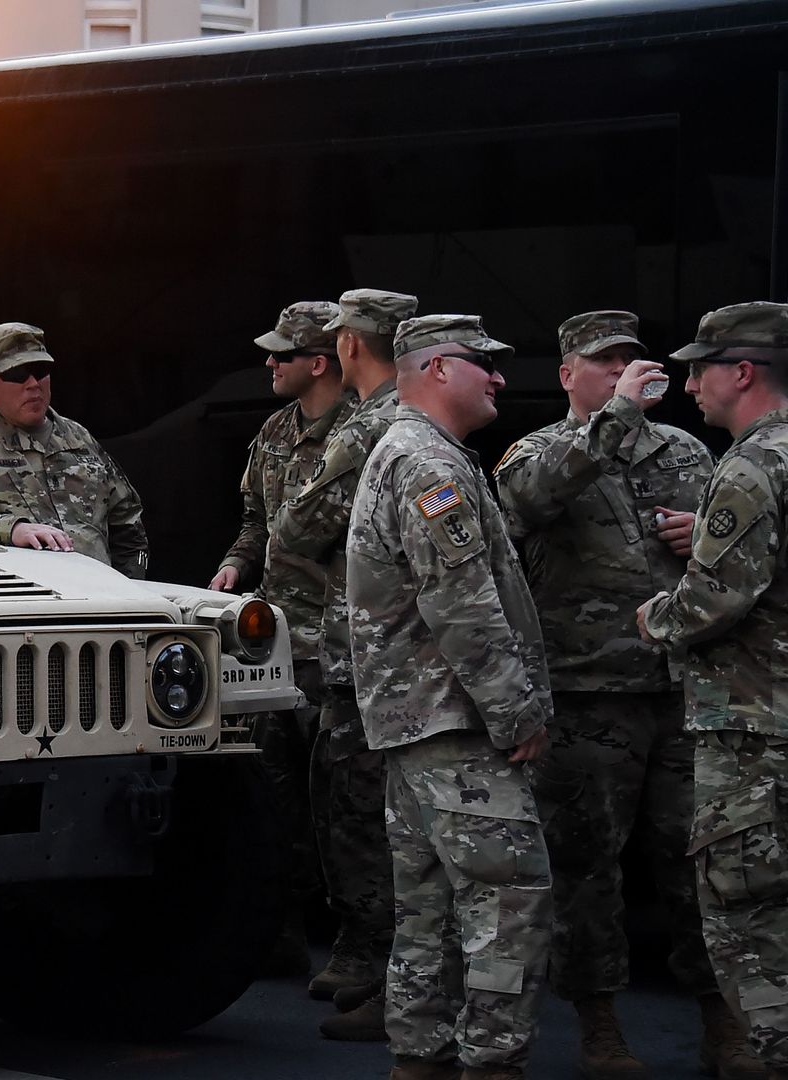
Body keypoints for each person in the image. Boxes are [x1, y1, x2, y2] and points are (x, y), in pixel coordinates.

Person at [637, 302, 788, 1080]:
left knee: (747, 914)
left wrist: (653, 615)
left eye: (701, 367)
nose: (689, 383)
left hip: (755, 725)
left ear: (742, 372)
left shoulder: (749, 465)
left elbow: (713, 602)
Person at [492, 311, 741, 1079]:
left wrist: (706, 531)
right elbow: (525, 504)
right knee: (585, 867)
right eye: (605, 364)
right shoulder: (540, 451)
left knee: (698, 860)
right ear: (569, 375)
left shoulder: (685, 452)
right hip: (586, 694)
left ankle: (722, 1020)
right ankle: (599, 1022)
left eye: (632, 362)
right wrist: (615, 417)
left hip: (677, 690)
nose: (625, 374)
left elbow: (736, 545)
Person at [347, 314, 553, 1080]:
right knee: (508, 905)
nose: (499, 377)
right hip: (457, 724)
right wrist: (517, 711)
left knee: (427, 912)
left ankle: (421, 1058)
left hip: (421, 724)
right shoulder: (428, 465)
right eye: (483, 363)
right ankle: (491, 1065)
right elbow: (461, 605)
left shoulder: (412, 454)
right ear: (436, 368)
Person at [264, 288, 421, 1033]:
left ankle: (385, 969)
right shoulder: (424, 421)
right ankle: (382, 965)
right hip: (406, 656)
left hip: (364, 652)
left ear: (349, 346)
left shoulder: (368, 429)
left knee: (357, 804)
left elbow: (294, 529)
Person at [208, 299, 352, 974]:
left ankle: (354, 946)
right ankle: (281, 931)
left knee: (343, 801)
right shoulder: (271, 431)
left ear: (318, 363)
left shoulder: (364, 435)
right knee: (271, 789)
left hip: (340, 642)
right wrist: (237, 562)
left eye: (281, 354)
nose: (268, 363)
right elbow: (254, 522)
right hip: (275, 642)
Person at [0, 321, 148, 576]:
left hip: (102, 600)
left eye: (40, 370)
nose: (33, 383)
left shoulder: (79, 439)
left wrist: (131, 584)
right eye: (17, 374)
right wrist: (11, 529)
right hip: (23, 603)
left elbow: (128, 522)